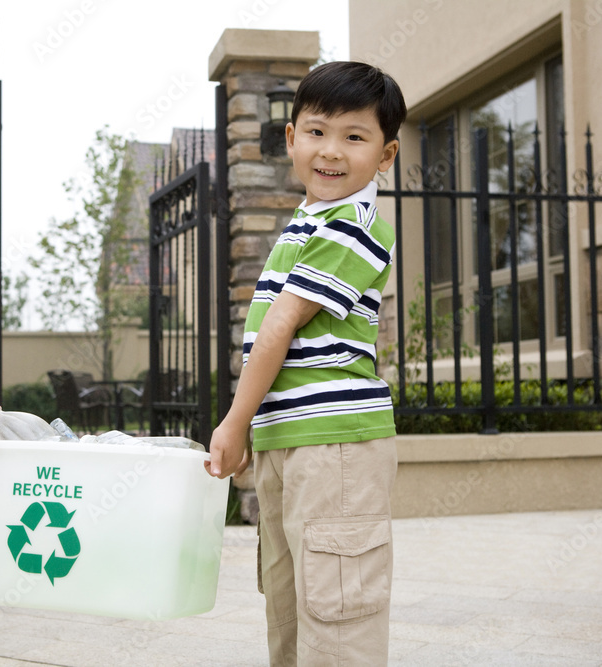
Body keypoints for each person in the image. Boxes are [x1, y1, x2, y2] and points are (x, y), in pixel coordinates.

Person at [207, 61, 406, 666]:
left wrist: (234, 421)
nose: (332, 151)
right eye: (317, 132)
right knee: (291, 609)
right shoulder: (308, 221)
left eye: (355, 136)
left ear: (386, 154)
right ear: (291, 138)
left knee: (338, 620)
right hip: (289, 441)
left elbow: (280, 328)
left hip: (333, 451)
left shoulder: (355, 224)